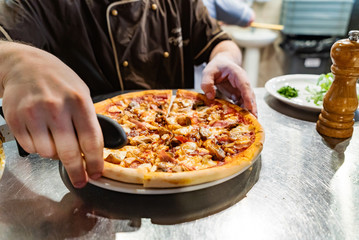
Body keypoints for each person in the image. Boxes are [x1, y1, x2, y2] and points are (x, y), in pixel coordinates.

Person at [0, 0, 257, 188]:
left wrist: (226, 59)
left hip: (193, 177)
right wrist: (14, 60)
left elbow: (219, 41)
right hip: (81, 173)